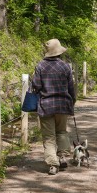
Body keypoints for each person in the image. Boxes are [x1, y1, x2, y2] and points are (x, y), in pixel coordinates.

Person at [32, 38, 76, 175]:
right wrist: (72, 101)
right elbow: (71, 88)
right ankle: (62, 157)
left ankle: (52, 165)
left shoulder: (40, 66)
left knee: (49, 137)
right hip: (63, 105)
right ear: (59, 52)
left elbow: (36, 86)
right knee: (62, 132)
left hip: (46, 106)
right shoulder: (65, 66)